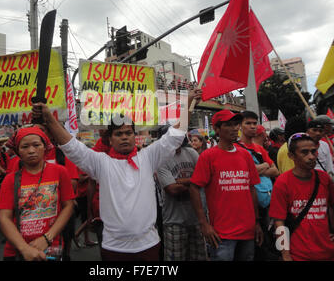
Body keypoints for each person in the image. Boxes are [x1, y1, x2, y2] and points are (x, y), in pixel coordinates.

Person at [32, 90, 201, 261]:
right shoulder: (101, 162)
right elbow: (72, 147)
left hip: (148, 245)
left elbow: (175, 136)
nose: (124, 137)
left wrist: (189, 103)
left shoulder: (148, 157)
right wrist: (49, 118)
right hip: (114, 248)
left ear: (135, 137)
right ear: (110, 139)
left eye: (128, 133)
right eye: (118, 134)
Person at [189, 110, 263, 261]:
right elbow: (194, 188)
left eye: (236, 124)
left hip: (248, 231)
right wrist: (204, 224)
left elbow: (251, 189)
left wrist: (256, 222)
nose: (235, 128)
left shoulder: (245, 155)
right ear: (216, 129)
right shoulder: (208, 156)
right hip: (221, 234)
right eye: (228, 125)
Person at [0, 126, 75, 261]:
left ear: (45, 147)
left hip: (51, 247)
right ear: (17, 151)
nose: (31, 150)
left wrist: (47, 238)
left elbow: (68, 206)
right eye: (25, 147)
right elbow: (4, 217)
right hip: (17, 250)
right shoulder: (10, 179)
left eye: (36, 145)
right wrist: (24, 248)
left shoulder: (60, 172)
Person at [269, 132, 334, 261]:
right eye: (304, 152)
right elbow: (279, 222)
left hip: (328, 252)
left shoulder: (324, 178)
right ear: (291, 156)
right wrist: (285, 254)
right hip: (299, 254)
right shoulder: (283, 182)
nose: (311, 156)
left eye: (313, 151)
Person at [156, 128, 207, 261]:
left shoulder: (191, 153)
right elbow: (172, 189)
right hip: (174, 221)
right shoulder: (161, 160)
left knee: (199, 257)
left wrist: (182, 181)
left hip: (197, 218)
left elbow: (205, 178)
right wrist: (194, 182)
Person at [235, 111, 279, 260]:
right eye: (248, 123)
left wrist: (258, 170)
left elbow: (275, 171)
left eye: (255, 123)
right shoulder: (235, 148)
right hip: (247, 205)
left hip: (268, 203)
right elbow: (243, 175)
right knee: (254, 246)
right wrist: (265, 165)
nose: (252, 127)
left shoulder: (259, 149)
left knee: (269, 241)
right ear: (240, 126)